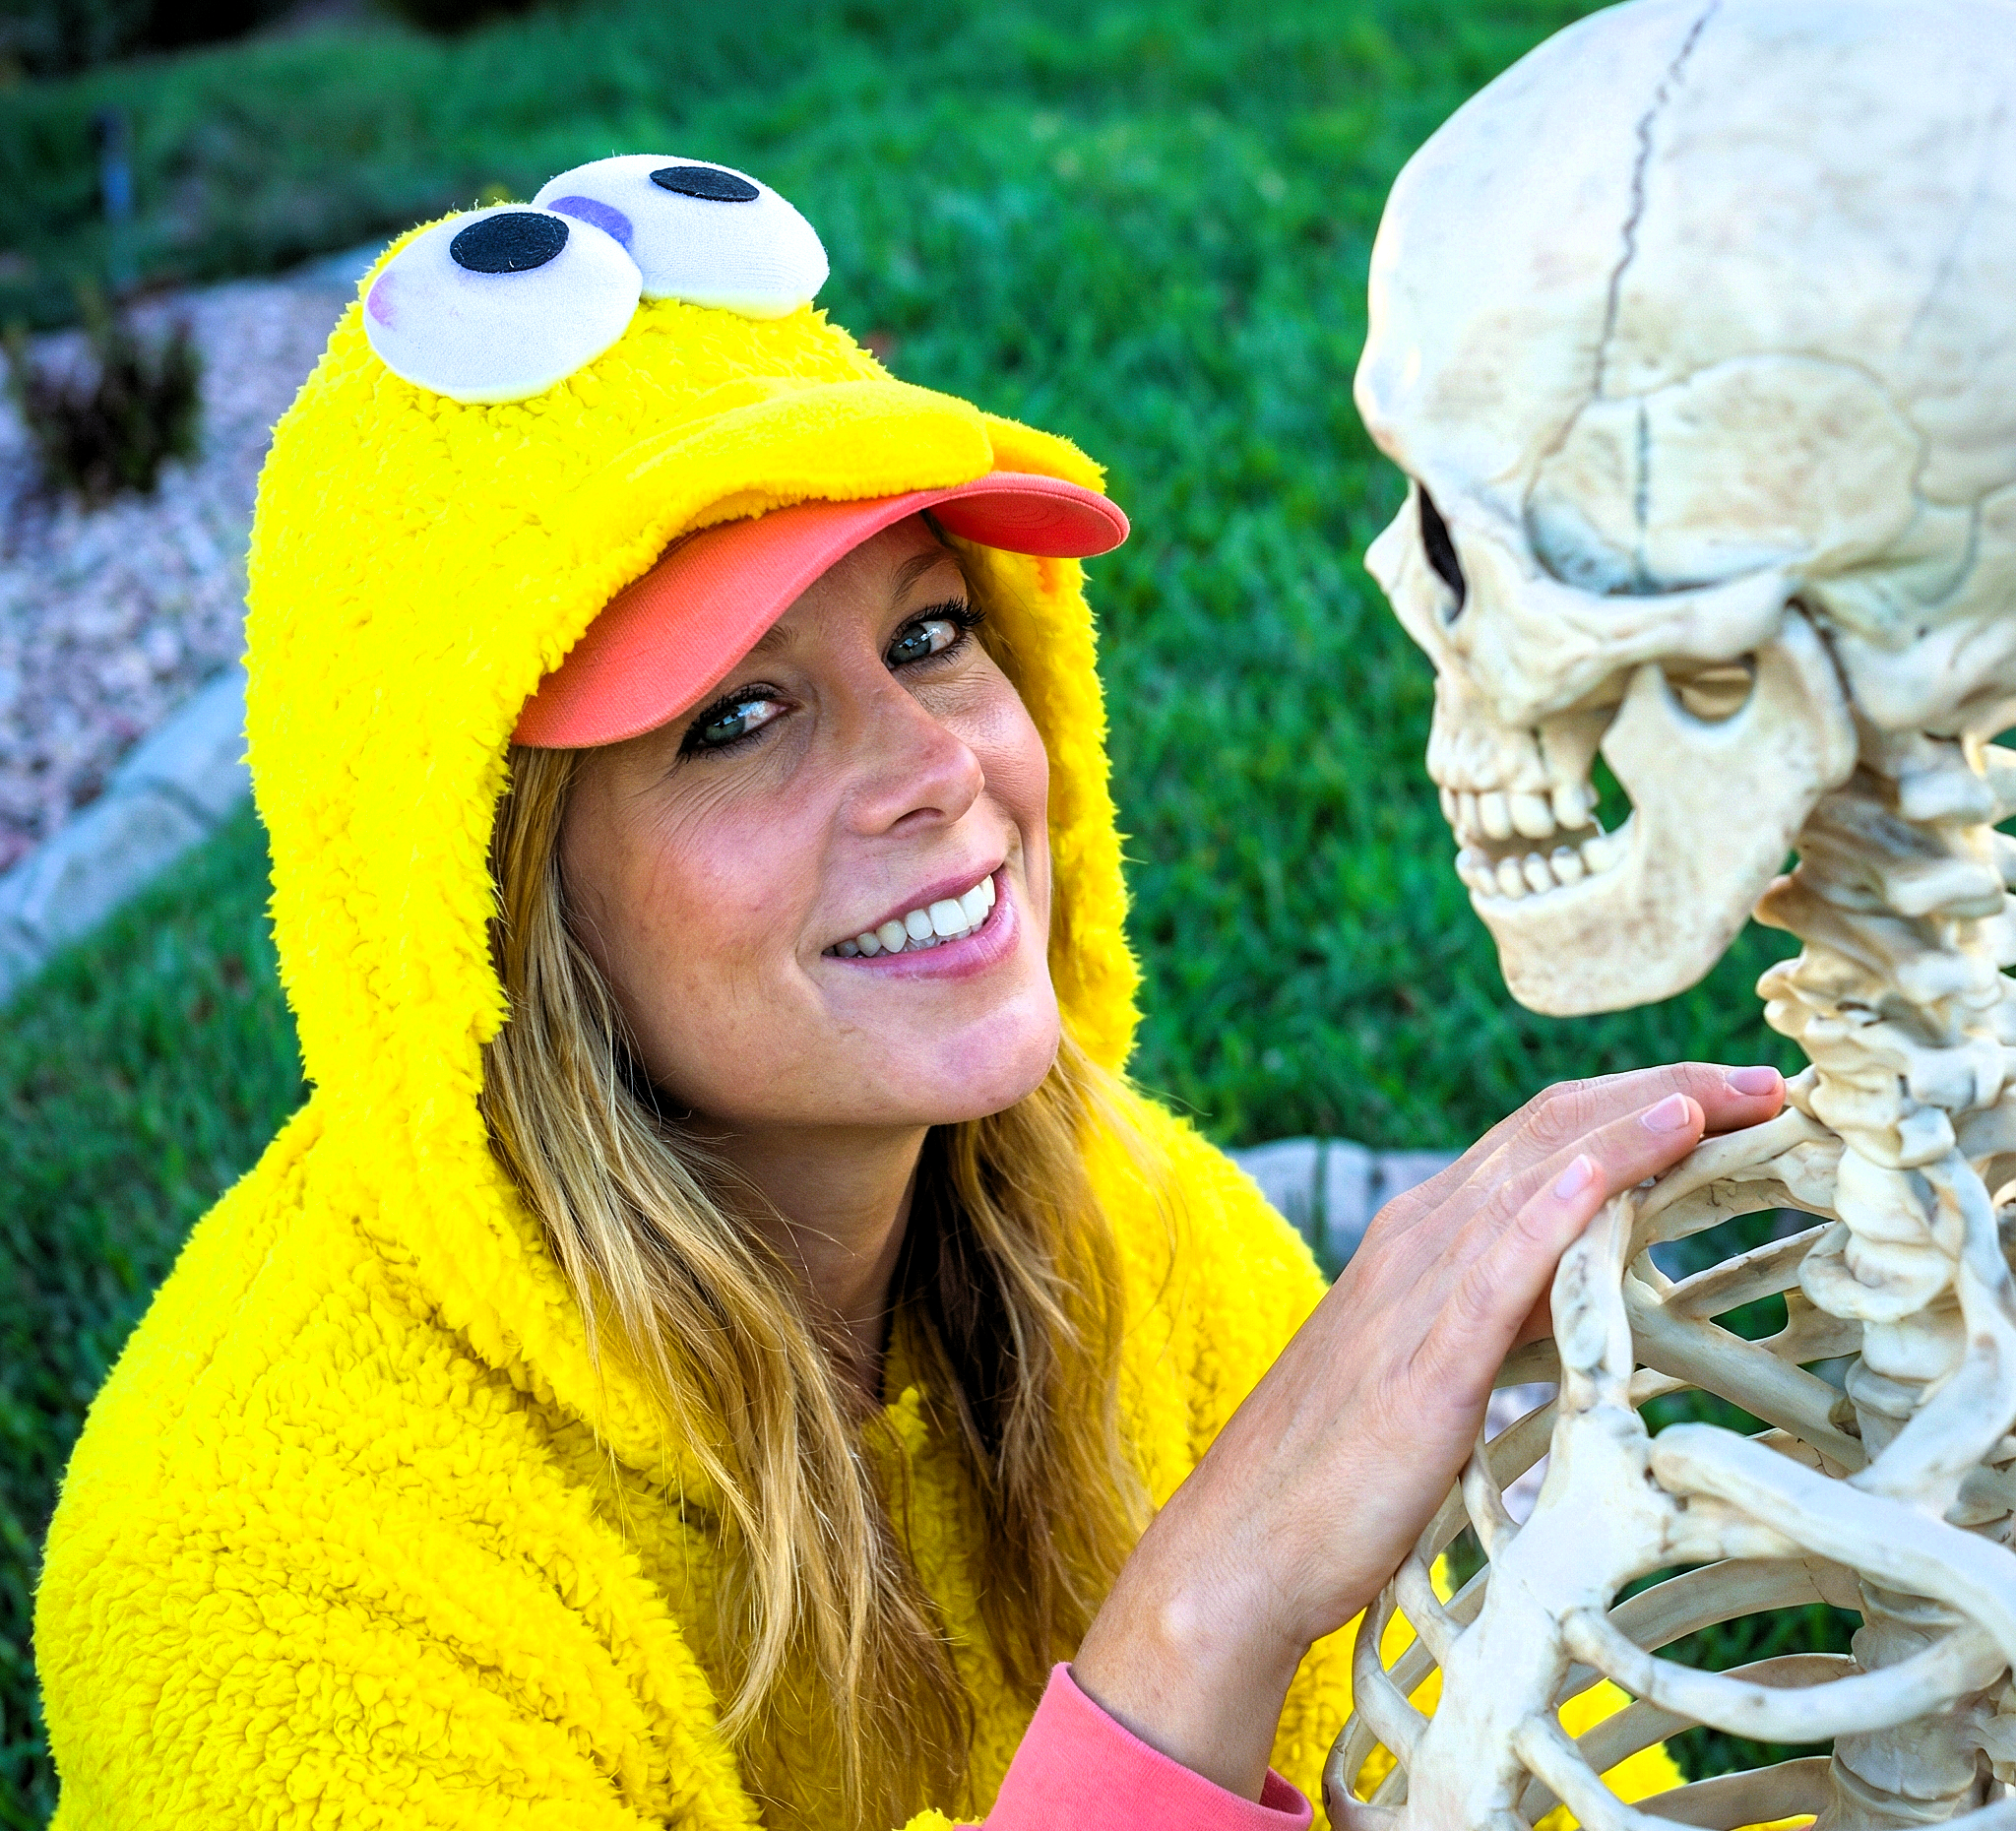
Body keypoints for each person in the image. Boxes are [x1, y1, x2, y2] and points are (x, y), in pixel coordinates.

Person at [34, 161, 1787, 1830]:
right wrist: (1203, 1618)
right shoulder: (253, 1568)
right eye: (737, 717)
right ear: (483, 909)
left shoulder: (1146, 1239)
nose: (938, 766)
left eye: (929, 634)